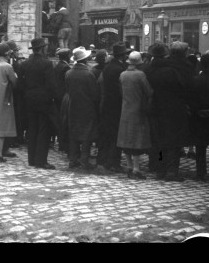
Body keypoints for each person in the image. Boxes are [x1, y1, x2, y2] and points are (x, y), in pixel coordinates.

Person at [145, 42, 193, 181]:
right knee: (173, 142)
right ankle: (172, 172)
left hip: (155, 109)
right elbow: (183, 89)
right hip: (173, 110)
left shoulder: (149, 70)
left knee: (159, 142)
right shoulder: (173, 70)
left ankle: (160, 170)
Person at [19, 38, 58, 170]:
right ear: (42, 48)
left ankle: (31, 159)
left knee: (32, 129)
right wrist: (52, 98)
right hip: (44, 101)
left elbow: (21, 84)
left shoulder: (25, 64)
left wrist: (27, 94)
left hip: (29, 100)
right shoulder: (47, 64)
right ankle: (41, 160)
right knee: (43, 130)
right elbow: (51, 85)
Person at [117, 51, 153, 179]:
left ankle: (129, 166)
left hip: (125, 109)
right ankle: (136, 168)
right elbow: (149, 92)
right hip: (138, 110)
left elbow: (121, 92)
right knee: (137, 139)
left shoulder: (122, 75)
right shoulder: (140, 75)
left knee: (126, 138)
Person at [95, 44, 129, 174]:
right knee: (115, 135)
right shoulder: (119, 69)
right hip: (116, 105)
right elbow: (120, 90)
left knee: (105, 134)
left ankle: (102, 160)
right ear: (123, 55)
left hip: (106, 104)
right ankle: (114, 162)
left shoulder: (108, 67)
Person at [65, 46, 100, 171]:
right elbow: (94, 93)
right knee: (86, 135)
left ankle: (73, 160)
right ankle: (84, 160)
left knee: (73, 133)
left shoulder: (69, 73)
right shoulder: (88, 74)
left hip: (73, 106)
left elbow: (67, 90)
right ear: (85, 60)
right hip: (87, 107)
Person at [53, 47, 72, 152]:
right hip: (63, 96)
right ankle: (64, 144)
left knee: (60, 120)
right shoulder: (65, 67)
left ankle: (61, 142)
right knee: (64, 121)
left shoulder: (57, 66)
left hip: (57, 96)